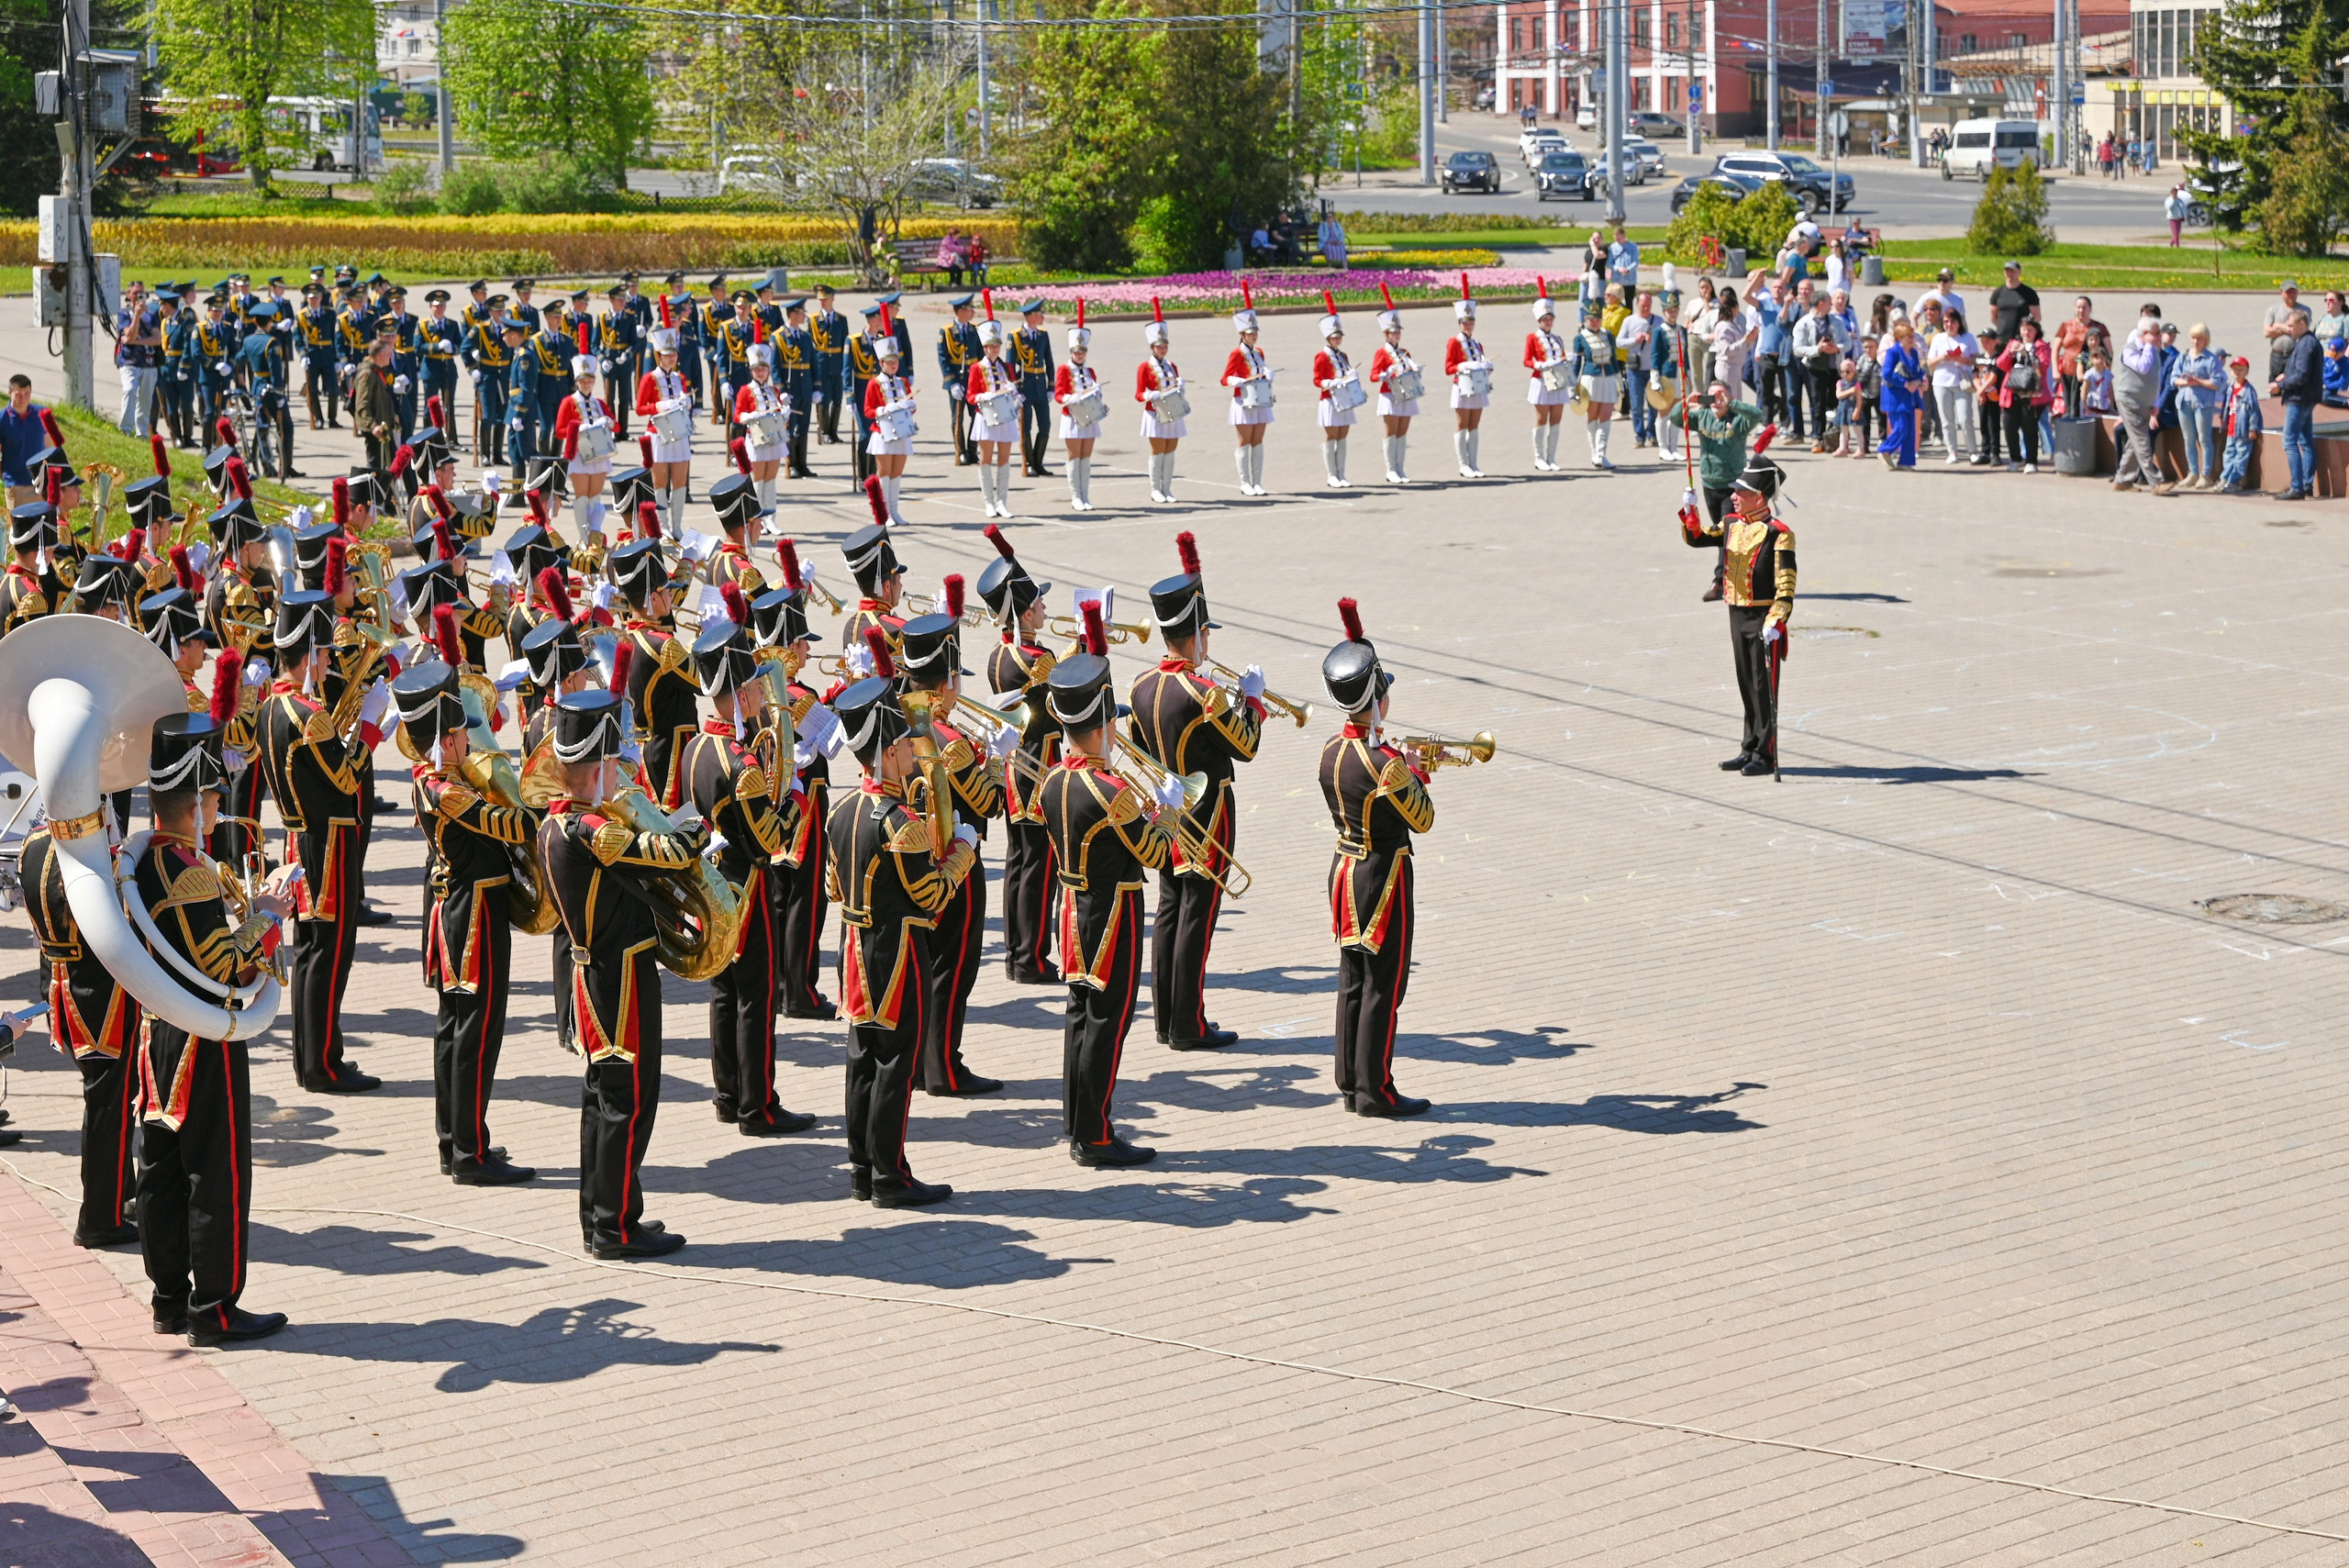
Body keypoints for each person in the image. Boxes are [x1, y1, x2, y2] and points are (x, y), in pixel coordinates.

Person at [133, 712, 299, 1343]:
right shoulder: (189, 870)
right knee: (217, 1171)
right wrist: (268, 914)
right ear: (197, 796)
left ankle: (170, 1297)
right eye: (214, 794)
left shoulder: (146, 857)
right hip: (204, 1033)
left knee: (164, 1168)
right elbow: (228, 965)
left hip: (159, 1028)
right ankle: (216, 1308)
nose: (219, 804)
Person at [537, 691, 697, 1258]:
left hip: (596, 974)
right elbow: (671, 853)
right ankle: (615, 1227)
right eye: (613, 763)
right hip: (619, 979)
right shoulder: (589, 832)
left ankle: (604, 1215)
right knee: (627, 1100)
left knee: (602, 1099)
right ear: (598, 765)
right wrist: (694, 834)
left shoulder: (557, 825)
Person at [824, 651, 979, 1207]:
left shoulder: (841, 811)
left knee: (861, 1056)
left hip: (855, 949)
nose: (915, 752)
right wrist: (962, 850)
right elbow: (932, 896)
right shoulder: (899, 825)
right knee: (895, 1061)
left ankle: (863, 1167)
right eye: (907, 746)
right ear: (889, 751)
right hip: (896, 952)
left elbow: (834, 890)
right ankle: (891, 1174)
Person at [389, 655, 540, 1185]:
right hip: (472, 915)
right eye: (461, 732)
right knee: (476, 1030)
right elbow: (514, 823)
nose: (468, 740)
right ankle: (470, 1152)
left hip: (460, 910)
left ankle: (455, 1140)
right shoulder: (446, 788)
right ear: (446, 739)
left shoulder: (435, 778)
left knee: (456, 1029)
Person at [1041, 605, 1174, 1167]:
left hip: (1070, 905)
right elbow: (1155, 853)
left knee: (1080, 1015)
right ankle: (1094, 1136)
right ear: (1101, 723)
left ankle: (1075, 1121)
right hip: (1111, 912)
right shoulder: (1111, 790)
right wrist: (1162, 816)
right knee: (1107, 1020)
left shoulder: (1052, 779)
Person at [685, 606, 820, 1135]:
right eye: (758, 690)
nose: (766, 696)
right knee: (755, 996)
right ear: (741, 696)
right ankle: (757, 1104)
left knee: (725, 991)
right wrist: (794, 794)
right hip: (748, 884)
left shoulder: (700, 745)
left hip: (715, 881)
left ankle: (727, 1092)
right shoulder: (741, 763)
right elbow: (772, 837)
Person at [1129, 535, 1264, 1051]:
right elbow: (1246, 746)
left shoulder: (1142, 685)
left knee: (1169, 912)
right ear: (1196, 634)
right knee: (1197, 918)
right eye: (1205, 631)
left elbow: (1141, 749)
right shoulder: (1203, 693)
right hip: (1207, 815)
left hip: (1168, 813)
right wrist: (1249, 701)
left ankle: (1167, 1019)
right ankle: (1188, 1023)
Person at [258, 590, 386, 1095]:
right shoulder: (309, 715)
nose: (331, 659)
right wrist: (372, 728)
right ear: (308, 654)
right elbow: (348, 777)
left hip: (298, 837)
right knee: (329, 955)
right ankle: (323, 1065)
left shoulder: (273, 705)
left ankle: (313, 1060)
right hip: (328, 845)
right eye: (325, 652)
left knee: (311, 951)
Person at [1318, 597, 1435, 1117]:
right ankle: (1375, 1089)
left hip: (1344, 870)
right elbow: (1423, 819)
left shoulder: (1332, 751)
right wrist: (1410, 771)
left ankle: (1350, 1079)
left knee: (1352, 980)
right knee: (1384, 984)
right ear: (1376, 698)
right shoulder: (1384, 763)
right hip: (1383, 876)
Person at [897, 600, 1010, 1096]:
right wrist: (996, 761)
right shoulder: (952, 741)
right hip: (955, 863)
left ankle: (926, 1060)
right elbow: (989, 802)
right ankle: (943, 1065)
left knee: (931, 963)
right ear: (944, 683)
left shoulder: (901, 722)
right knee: (955, 966)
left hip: (917, 855)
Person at [977, 525, 1060, 986]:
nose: (1045, 606)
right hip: (1038, 768)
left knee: (1018, 864)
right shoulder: (1038, 657)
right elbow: (1060, 710)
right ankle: (1031, 957)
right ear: (1026, 613)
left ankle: (1016, 953)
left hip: (1012, 769)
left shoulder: (997, 654)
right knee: (1038, 868)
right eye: (1039, 602)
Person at [1679, 452, 1796, 776]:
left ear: (1757, 496)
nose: (1733, 496)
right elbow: (1698, 538)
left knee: (1763, 687)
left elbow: (1786, 583)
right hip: (1736, 613)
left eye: (1740, 492)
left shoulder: (1778, 533)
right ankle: (1749, 748)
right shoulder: (1731, 524)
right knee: (1746, 684)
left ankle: (1765, 754)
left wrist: (1777, 619)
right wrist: (1689, 511)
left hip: (1762, 619)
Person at [1683, 380, 1766, 602]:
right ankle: (1732, 576)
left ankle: (1719, 581)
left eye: (1720, 396)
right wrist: (1686, 403)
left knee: (1727, 532)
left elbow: (1756, 414)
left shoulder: (1737, 420)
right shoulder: (1703, 417)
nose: (1716, 401)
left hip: (1732, 486)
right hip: (1710, 484)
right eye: (1711, 397)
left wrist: (1734, 404)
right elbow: (1676, 419)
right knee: (1721, 535)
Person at [636, 317, 694, 534]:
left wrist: (686, 403)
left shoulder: (681, 377)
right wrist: (659, 405)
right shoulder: (649, 379)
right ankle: (663, 526)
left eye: (674, 354)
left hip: (680, 435)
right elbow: (640, 408)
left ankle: (677, 526)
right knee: (660, 482)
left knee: (680, 482)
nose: (671, 359)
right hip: (657, 434)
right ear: (659, 356)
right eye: (667, 355)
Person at [966, 302, 1022, 518]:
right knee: (986, 459)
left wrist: (1015, 395)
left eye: (997, 345)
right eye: (991, 346)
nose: (995, 349)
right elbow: (971, 395)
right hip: (986, 417)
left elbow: (1014, 389)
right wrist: (986, 396)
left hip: (1006, 417)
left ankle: (1002, 501)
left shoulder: (1006, 367)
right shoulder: (976, 368)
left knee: (1005, 459)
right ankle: (989, 502)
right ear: (984, 347)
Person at [2110, 305, 2168, 493]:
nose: (2159, 335)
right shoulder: (2130, 350)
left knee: (2133, 444)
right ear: (2144, 333)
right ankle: (2157, 482)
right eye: (2155, 333)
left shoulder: (2154, 351)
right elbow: (2142, 367)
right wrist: (2150, 346)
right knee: (2142, 442)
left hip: (2145, 403)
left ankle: (2123, 480)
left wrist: (2156, 404)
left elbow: (2156, 380)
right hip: (2129, 402)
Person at [1053, 304, 1106, 508]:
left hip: (1089, 417)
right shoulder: (1063, 369)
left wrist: (1096, 391)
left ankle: (1085, 495)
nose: (1080, 354)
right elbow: (1058, 395)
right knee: (1074, 456)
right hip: (1072, 417)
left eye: (1083, 351)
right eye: (1077, 351)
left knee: (1086, 456)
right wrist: (1071, 398)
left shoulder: (1090, 371)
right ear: (1071, 351)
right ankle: (1076, 495)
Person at [1223, 293, 1275, 495]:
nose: (1254, 336)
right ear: (1242, 334)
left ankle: (1258, 481)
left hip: (1260, 400)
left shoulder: (1259, 352)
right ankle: (1245, 482)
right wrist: (1237, 381)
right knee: (1245, 441)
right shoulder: (1237, 353)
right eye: (1250, 333)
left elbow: (1260, 371)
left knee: (1258, 441)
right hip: (1243, 401)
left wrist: (1268, 374)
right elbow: (1225, 378)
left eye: (1255, 333)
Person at [2268, 307, 2322, 500]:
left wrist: (2280, 385)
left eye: (2291, 326)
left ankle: (2297, 487)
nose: (2288, 329)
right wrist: (2286, 376)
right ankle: (2306, 484)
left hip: (2299, 399)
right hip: (2306, 398)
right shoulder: (2305, 342)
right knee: (2306, 442)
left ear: (2302, 324)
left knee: (2289, 441)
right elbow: (2300, 372)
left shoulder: (2307, 344)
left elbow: (2302, 376)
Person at [863, 337, 918, 526]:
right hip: (883, 432)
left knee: (897, 474)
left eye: (896, 362)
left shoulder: (903, 382)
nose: (894, 365)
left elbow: (911, 407)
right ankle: (884, 513)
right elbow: (868, 410)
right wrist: (884, 409)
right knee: (884, 474)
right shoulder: (874, 383)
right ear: (881, 363)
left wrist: (911, 405)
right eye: (889, 362)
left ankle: (895, 511)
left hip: (902, 432)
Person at [1137, 304, 1186, 504]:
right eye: (1159, 346)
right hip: (1155, 414)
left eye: (1165, 346)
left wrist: (1180, 386)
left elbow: (1175, 387)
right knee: (1158, 452)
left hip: (1172, 412)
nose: (1162, 349)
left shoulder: (1171, 365)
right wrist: (1152, 395)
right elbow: (1139, 394)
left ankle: (1167, 488)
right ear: (1152, 347)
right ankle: (1155, 489)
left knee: (1170, 451)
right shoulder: (1145, 367)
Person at [1368, 292, 1420, 484]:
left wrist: (1416, 371)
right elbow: (1373, 375)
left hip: (1406, 394)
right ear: (1386, 334)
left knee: (1402, 432)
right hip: (1390, 395)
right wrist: (1385, 374)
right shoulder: (1381, 352)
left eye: (1399, 331)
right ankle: (1391, 470)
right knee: (1391, 432)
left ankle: (1400, 468)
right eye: (1393, 332)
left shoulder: (1405, 352)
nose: (1397, 334)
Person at [734, 341, 790, 515]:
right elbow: (737, 415)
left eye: (764, 369)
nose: (760, 373)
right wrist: (748, 416)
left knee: (771, 479)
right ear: (752, 371)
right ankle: (756, 517)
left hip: (774, 439)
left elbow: (779, 413)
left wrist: (785, 412)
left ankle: (770, 518)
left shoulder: (774, 390)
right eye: (757, 369)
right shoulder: (745, 390)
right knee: (757, 480)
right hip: (756, 439)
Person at [1444, 284, 1493, 478]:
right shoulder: (1454, 342)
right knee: (1462, 424)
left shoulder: (1476, 343)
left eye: (1471, 322)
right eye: (1465, 322)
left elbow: (1481, 362)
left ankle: (1474, 463)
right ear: (1459, 323)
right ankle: (1463, 464)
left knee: (1474, 426)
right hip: (1462, 387)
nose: (1468, 325)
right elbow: (1448, 368)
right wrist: (1462, 366)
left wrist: (1487, 366)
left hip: (1478, 388)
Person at [1795, 294, 1853, 456]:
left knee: (1836, 403)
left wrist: (1837, 348)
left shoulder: (1836, 321)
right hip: (1814, 369)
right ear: (1821, 304)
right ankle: (1817, 437)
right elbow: (1797, 348)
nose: (1832, 304)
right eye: (1829, 301)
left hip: (1834, 368)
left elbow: (1848, 343)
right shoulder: (1804, 323)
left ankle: (1836, 437)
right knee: (1817, 404)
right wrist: (1817, 349)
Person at [1569, 295, 1621, 470]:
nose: (1595, 322)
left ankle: (1602, 454)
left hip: (1607, 379)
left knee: (1606, 415)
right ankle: (1594, 453)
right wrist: (1573, 386)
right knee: (1593, 416)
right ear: (1585, 319)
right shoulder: (1580, 338)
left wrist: (1619, 382)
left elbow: (1614, 360)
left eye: (1598, 318)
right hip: (1590, 379)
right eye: (1592, 319)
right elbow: (1577, 364)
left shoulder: (1608, 335)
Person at [1996, 318, 2054, 473]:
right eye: (2024, 329)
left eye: (2030, 330)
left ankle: (2031, 461)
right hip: (2011, 391)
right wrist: (2010, 352)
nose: (2026, 333)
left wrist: (2026, 354)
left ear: (2036, 332)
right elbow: (2001, 364)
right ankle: (2015, 459)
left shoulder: (2042, 347)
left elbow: (2043, 367)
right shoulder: (2012, 343)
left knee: (2029, 427)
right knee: (2009, 427)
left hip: (2032, 394)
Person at [2174, 323, 2227, 489]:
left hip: (2203, 404)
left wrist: (2199, 382)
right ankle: (2192, 472)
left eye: (2200, 339)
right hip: (2184, 402)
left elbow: (2216, 383)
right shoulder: (2184, 357)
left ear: (2206, 340)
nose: (2196, 342)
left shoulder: (2211, 359)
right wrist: (2186, 382)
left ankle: (2206, 475)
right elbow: (2173, 378)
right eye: (2193, 338)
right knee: (2188, 439)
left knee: (2204, 439)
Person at [1523, 288, 1570, 473]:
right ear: (1539, 320)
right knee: (1542, 419)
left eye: (1550, 319)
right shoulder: (1532, 338)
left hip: (1558, 381)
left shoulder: (1558, 338)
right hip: (1541, 382)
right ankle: (1539, 457)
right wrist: (1539, 365)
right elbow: (1526, 360)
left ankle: (1551, 457)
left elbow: (1563, 356)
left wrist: (1568, 358)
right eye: (1545, 319)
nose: (1548, 322)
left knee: (1556, 420)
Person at [1926, 306, 1980, 464]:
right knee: (1946, 420)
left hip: (1962, 382)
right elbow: (1930, 363)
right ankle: (1952, 451)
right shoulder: (1938, 339)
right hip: (1941, 382)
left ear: (1959, 323)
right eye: (1946, 322)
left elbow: (1976, 359)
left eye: (1952, 321)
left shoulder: (1968, 337)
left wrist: (1963, 360)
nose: (1949, 325)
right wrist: (1942, 357)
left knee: (1965, 418)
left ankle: (1972, 450)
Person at [1012, 299, 1056, 480]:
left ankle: (1039, 462)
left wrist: (1051, 385)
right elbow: (1010, 365)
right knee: (1026, 428)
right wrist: (1015, 391)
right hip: (1025, 387)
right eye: (1039, 314)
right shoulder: (1015, 336)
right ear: (1030, 317)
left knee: (1045, 426)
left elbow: (1049, 362)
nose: (1042, 317)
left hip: (1040, 387)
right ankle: (1029, 463)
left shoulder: (1043, 335)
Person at [939, 293, 982, 467]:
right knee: (957, 418)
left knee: (976, 416)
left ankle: (972, 450)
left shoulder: (975, 330)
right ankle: (961, 451)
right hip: (957, 378)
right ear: (961, 311)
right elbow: (943, 358)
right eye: (970, 309)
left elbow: (980, 355)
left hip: (973, 379)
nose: (973, 312)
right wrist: (952, 382)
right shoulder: (947, 332)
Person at [116, 279, 162, 438]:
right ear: (128, 295)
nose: (138, 296)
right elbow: (129, 334)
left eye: (141, 293)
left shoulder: (152, 315)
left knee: (145, 399)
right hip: (129, 361)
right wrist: (136, 315)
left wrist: (136, 341)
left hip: (149, 362)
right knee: (129, 389)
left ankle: (142, 433)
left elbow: (157, 339)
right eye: (135, 293)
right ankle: (126, 429)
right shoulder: (124, 313)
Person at [1876, 317, 1924, 469]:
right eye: (1909, 336)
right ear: (1900, 338)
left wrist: (1918, 381)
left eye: (1912, 336)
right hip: (1895, 397)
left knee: (1910, 430)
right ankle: (1885, 449)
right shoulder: (1893, 352)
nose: (1912, 339)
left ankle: (1906, 461)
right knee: (1901, 427)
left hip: (1910, 396)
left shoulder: (1914, 353)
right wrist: (1905, 384)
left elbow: (1917, 371)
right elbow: (1887, 374)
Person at [2220, 355, 2263, 492]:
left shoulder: (2248, 391)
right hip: (2231, 429)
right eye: (2235, 369)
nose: (2237, 372)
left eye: (2241, 369)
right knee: (2228, 455)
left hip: (2243, 430)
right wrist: (2223, 420)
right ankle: (2224, 479)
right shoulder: (2230, 388)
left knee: (2240, 458)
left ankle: (2234, 481)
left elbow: (2254, 411)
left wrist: (2253, 428)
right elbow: (2225, 406)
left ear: (2246, 371)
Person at [1987, 261, 2041, 347]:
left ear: (2019, 272)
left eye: (2013, 271)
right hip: (2002, 338)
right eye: (2007, 271)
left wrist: (2026, 332)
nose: (2010, 274)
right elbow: (1993, 317)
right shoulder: (1998, 293)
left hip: (2021, 339)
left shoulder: (2029, 293)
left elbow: (2037, 317)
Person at [2264, 280, 2304, 384]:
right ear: (2281, 293)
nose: (2291, 295)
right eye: (2288, 292)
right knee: (2274, 383)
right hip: (2276, 355)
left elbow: (2300, 330)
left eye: (2293, 292)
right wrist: (2289, 328)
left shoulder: (2303, 311)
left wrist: (2277, 326)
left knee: (2292, 382)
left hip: (2294, 354)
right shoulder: (2273, 310)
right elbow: (2267, 332)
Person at [2165, 183, 2189, 247]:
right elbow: (2168, 207)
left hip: (2179, 218)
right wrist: (2173, 201)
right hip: (2172, 218)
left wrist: (2184, 215)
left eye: (2176, 193)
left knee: (2177, 233)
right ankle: (2177, 246)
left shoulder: (2179, 200)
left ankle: (2171, 244)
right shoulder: (2169, 200)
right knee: (2175, 233)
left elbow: (2184, 207)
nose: (2175, 194)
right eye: (2173, 193)